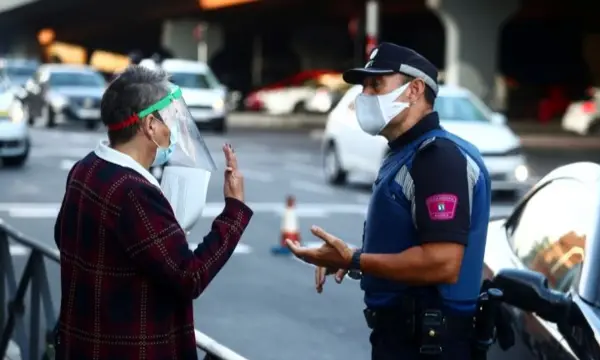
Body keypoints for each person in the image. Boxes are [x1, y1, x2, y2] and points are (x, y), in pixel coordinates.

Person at [287, 42, 492, 359]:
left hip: (429, 345)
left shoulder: (438, 158)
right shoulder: (406, 152)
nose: (364, 96)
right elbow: (409, 246)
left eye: (376, 84)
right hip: (404, 338)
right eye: (364, 86)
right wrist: (351, 257)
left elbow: (442, 263)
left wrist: (354, 261)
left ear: (415, 90)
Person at [53, 65, 253, 359]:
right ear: (149, 125)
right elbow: (190, 276)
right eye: (169, 120)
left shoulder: (86, 168)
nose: (172, 131)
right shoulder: (133, 192)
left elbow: (66, 239)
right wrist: (234, 211)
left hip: (82, 345)